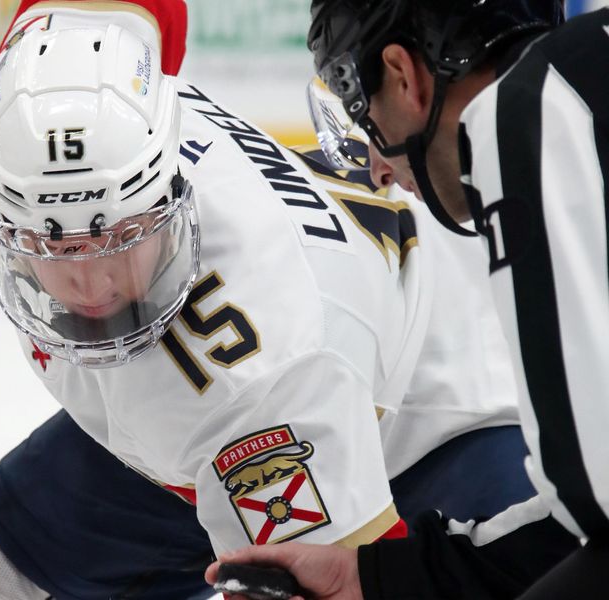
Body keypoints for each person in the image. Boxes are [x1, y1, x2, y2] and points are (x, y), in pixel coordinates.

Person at [0, 1, 570, 599]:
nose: (92, 288)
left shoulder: (263, 374)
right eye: (56, 250)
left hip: (435, 418)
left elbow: (340, 581)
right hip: (185, 433)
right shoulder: (25, 109)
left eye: (120, 238)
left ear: (170, 195)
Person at [209, 0, 609, 597]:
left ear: (403, 74)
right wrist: (375, 578)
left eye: (362, 110)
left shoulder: (525, 112)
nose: (377, 166)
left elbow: (596, 510)